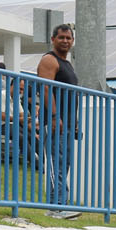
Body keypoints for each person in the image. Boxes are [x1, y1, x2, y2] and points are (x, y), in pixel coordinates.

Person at [37, 23, 81, 219]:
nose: (65, 41)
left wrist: (76, 121)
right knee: (57, 163)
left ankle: (62, 203)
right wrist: (54, 116)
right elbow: (45, 89)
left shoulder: (67, 63)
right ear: (53, 39)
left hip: (68, 123)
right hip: (56, 122)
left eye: (68, 38)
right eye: (61, 37)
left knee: (65, 164)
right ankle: (55, 208)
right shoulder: (49, 60)